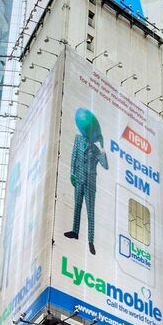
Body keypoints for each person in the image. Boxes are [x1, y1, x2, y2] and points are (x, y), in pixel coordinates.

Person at [61, 106, 108, 254]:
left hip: (91, 182)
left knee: (90, 211)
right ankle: (75, 231)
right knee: (77, 205)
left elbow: (105, 166)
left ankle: (90, 240)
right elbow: (74, 157)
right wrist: (71, 174)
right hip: (79, 178)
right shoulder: (78, 140)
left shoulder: (96, 149)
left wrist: (103, 147)